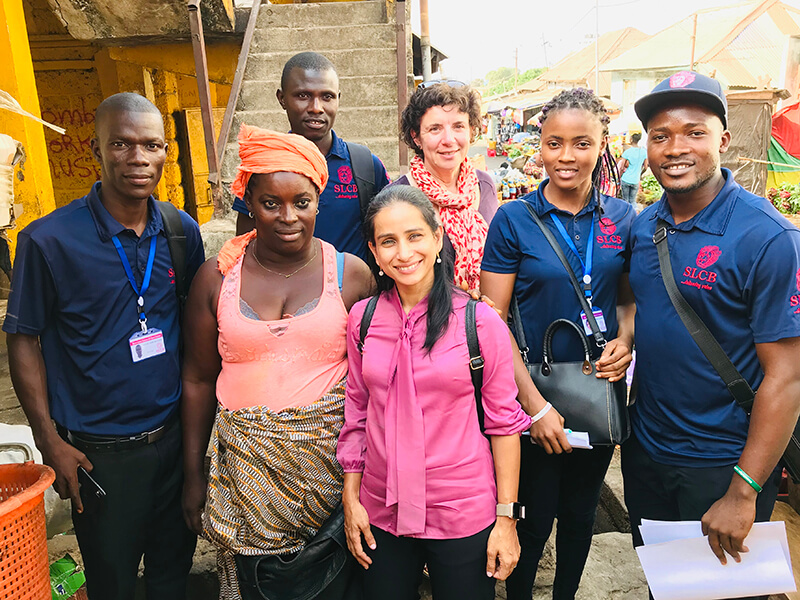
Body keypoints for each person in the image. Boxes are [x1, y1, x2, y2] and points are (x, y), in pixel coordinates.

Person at [4, 93, 204, 600]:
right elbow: (23, 339)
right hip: (97, 457)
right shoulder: (47, 241)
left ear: (165, 153)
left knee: (170, 575)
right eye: (122, 144)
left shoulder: (181, 231)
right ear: (98, 149)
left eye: (151, 145)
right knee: (111, 582)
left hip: (173, 443)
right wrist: (48, 440)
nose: (138, 158)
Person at [181, 125, 375, 599]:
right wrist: (193, 475)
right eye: (271, 203)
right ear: (248, 201)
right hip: (247, 483)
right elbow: (198, 379)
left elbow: (375, 381)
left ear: (318, 201)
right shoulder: (215, 279)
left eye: (302, 202)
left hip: (333, 479)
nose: (288, 217)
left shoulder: (350, 275)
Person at [622, 71, 800, 572]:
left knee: (725, 592)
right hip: (648, 452)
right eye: (661, 136)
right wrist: (626, 336)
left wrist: (744, 492)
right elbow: (642, 305)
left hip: (724, 463)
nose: (676, 147)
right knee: (666, 584)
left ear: (723, 140)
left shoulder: (767, 237)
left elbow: (788, 377)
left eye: (694, 132)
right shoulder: (644, 225)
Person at [337, 185, 531, 600]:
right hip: (381, 509)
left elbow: (504, 425)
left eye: (415, 236)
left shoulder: (479, 322)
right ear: (373, 250)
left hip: (461, 509)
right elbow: (356, 414)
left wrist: (507, 519)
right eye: (388, 241)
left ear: (438, 237)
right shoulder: (363, 319)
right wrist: (351, 501)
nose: (403, 253)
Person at [480, 88, 636, 600]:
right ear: (539, 148)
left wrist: (627, 339)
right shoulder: (514, 219)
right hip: (536, 396)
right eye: (554, 143)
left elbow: (628, 302)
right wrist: (536, 407)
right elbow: (493, 322)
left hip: (598, 393)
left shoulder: (622, 220)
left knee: (580, 513)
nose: (566, 156)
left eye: (581, 143)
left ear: (601, 145)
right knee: (534, 516)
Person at [232, 51, 390, 262]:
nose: (316, 108)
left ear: (338, 100)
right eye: (303, 96)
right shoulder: (262, 168)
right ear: (282, 99)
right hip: (284, 291)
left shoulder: (365, 166)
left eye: (327, 97)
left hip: (353, 292)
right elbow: (246, 246)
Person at [395, 80, 498, 293]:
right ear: (416, 137)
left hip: (483, 317)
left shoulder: (484, 185)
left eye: (458, 126)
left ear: (471, 130)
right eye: (435, 129)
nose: (449, 140)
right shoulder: (398, 198)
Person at [617, 132, 648, 205]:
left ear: (631, 140)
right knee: (633, 201)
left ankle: (626, 215)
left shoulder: (627, 152)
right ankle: (634, 215)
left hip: (626, 179)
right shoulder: (644, 152)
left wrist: (620, 176)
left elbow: (622, 167)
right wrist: (640, 174)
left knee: (625, 200)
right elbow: (646, 167)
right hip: (635, 180)